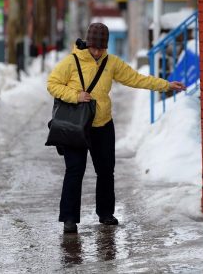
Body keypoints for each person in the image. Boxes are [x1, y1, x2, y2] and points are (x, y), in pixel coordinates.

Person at [47, 23, 186, 233]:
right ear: (88, 44)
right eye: (94, 48)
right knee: (74, 170)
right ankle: (69, 218)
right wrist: (75, 96)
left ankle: (105, 213)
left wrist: (165, 85)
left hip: (102, 124)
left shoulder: (110, 63)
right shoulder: (72, 62)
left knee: (105, 171)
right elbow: (53, 84)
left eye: (101, 48)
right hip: (76, 126)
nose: (96, 52)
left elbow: (135, 78)